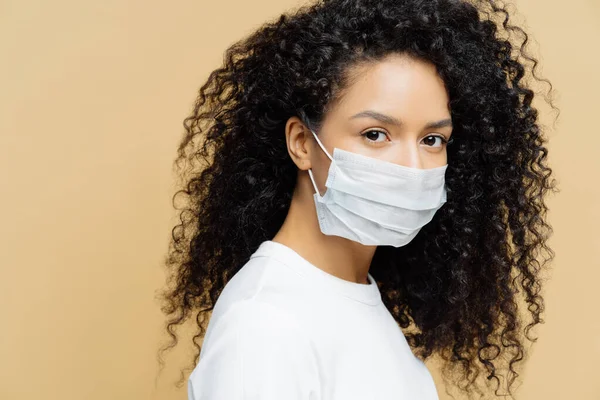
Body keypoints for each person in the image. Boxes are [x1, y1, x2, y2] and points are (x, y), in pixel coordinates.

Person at [158, 0, 558, 399]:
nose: (411, 166)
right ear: (301, 143)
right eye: (375, 134)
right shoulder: (265, 324)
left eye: (432, 139)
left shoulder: (353, 294)